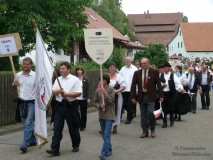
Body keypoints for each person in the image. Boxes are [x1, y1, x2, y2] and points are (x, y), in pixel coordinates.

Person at [46, 62, 82, 156]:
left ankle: (75, 144)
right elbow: (52, 91)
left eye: (63, 68)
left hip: (71, 105)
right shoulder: (57, 79)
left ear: (68, 69)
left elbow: (78, 93)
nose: (61, 70)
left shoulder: (75, 80)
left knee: (73, 128)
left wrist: (67, 94)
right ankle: (55, 149)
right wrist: (58, 91)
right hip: (59, 106)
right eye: (61, 68)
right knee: (57, 128)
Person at [131, 58, 163, 138]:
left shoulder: (154, 72)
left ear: (148, 63)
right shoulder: (137, 73)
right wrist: (133, 97)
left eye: (145, 63)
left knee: (150, 113)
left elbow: (159, 84)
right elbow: (133, 85)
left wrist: (161, 96)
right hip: (141, 97)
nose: (143, 65)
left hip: (151, 96)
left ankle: (152, 129)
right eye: (142, 63)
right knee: (143, 115)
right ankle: (145, 131)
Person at [12, 57, 37, 153]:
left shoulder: (35, 75)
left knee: (28, 123)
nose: (25, 65)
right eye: (24, 64)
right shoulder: (18, 75)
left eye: (27, 64)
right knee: (25, 123)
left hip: (31, 102)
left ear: (31, 65)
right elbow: (14, 88)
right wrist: (15, 85)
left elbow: (39, 89)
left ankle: (24, 145)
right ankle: (33, 140)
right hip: (21, 102)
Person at [93, 73, 115, 160]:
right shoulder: (97, 91)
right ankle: (109, 148)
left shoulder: (111, 89)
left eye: (103, 80)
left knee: (106, 134)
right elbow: (94, 102)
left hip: (109, 115)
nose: (101, 81)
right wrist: (99, 105)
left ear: (107, 80)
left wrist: (105, 93)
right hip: (101, 115)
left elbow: (111, 101)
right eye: (100, 80)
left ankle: (104, 153)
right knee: (103, 135)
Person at [160, 62, 185, 128]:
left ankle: (171, 121)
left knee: (171, 108)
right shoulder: (161, 75)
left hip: (171, 94)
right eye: (164, 67)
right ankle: (164, 122)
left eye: (167, 67)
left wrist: (181, 89)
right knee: (163, 109)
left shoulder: (173, 75)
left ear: (169, 68)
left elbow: (178, 84)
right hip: (163, 94)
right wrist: (162, 84)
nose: (165, 68)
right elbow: (158, 84)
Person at [108, 63, 126, 134]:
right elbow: (101, 84)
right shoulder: (106, 76)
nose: (112, 69)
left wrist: (116, 91)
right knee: (107, 111)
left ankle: (115, 125)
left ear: (116, 69)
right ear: (108, 69)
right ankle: (107, 126)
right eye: (111, 67)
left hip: (117, 96)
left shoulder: (119, 77)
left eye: (113, 67)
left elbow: (123, 86)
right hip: (107, 96)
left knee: (116, 110)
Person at [120, 57, 137, 124]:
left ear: (131, 61)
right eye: (126, 60)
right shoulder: (122, 69)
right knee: (123, 104)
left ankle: (129, 118)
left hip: (131, 89)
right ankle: (131, 113)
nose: (127, 61)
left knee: (129, 104)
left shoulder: (134, 69)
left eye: (129, 60)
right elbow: (120, 78)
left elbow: (137, 79)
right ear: (125, 61)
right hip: (123, 89)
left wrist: (137, 89)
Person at [75, 65, 90, 131]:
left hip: (83, 98)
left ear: (82, 71)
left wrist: (88, 97)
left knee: (83, 113)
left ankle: (83, 126)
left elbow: (88, 89)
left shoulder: (86, 79)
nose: (79, 71)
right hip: (76, 98)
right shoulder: (74, 79)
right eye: (78, 70)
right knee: (75, 112)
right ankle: (78, 124)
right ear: (76, 71)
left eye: (80, 70)